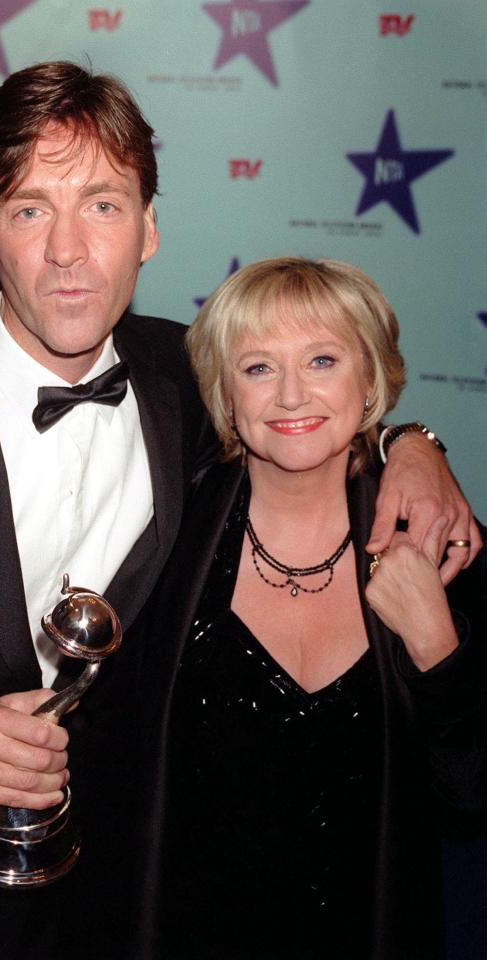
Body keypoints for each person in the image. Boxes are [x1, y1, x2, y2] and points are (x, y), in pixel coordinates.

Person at [0, 58, 478, 957]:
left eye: (101, 204)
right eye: (28, 210)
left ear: (148, 229)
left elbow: (309, 408)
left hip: (137, 900)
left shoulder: (191, 378)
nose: (67, 251)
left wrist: (415, 446)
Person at [67, 258, 487, 960]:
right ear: (224, 394)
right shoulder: (158, 536)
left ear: (371, 381)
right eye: (258, 367)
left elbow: (470, 801)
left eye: (322, 359)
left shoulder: (448, 547)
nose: (292, 395)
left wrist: (435, 649)